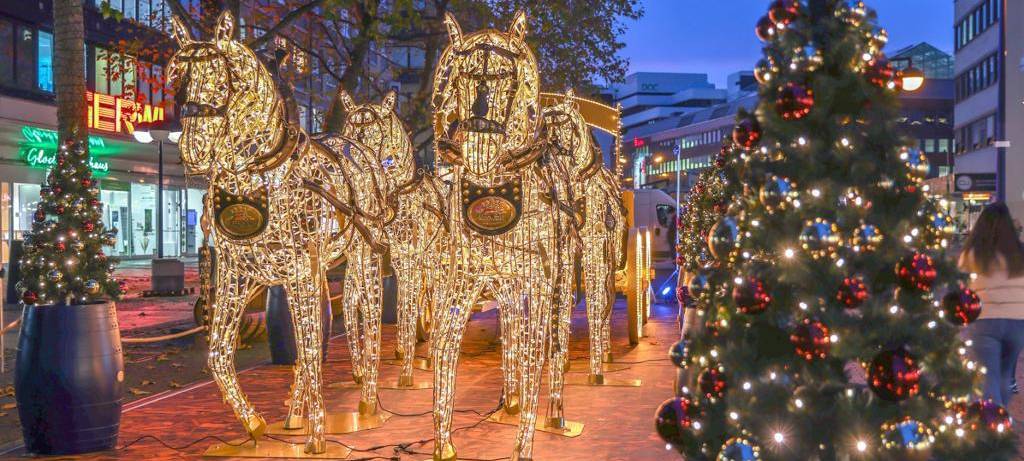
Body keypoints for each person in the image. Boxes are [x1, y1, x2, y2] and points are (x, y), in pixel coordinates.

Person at [959, 202, 1024, 407]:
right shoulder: (1019, 254)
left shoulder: (971, 255)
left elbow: (961, 286)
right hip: (1017, 321)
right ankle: (1002, 420)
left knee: (989, 376)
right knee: (1006, 375)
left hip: (984, 320)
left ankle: (994, 425)